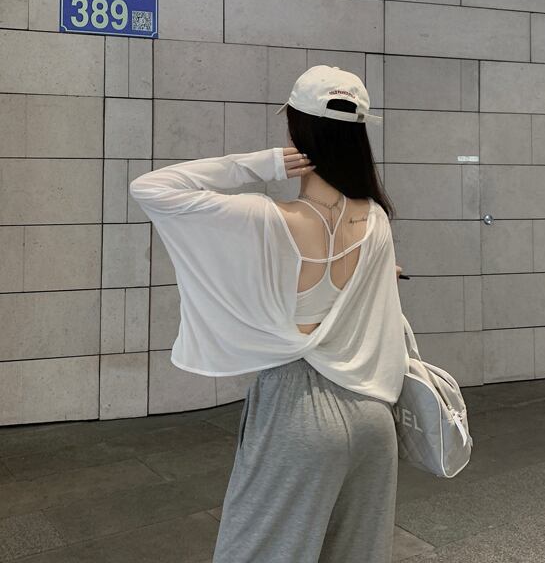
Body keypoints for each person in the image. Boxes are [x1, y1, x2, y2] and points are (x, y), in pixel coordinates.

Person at [129, 65, 410, 563]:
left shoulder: (267, 218)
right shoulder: (377, 221)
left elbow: (152, 187)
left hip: (297, 413)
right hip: (374, 415)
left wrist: (259, 166)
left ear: (297, 130)